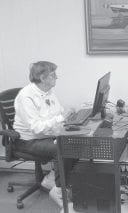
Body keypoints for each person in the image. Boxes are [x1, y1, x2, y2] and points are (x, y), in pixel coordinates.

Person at [13, 61, 74, 211]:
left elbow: (58, 112)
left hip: (46, 135)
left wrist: (68, 117)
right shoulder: (26, 97)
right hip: (27, 141)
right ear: (42, 77)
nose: (57, 77)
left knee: (75, 143)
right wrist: (61, 119)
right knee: (62, 148)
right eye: (53, 75)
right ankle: (59, 191)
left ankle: (55, 179)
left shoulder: (48, 91)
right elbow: (36, 128)